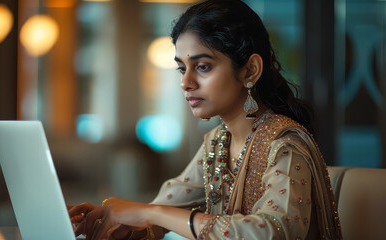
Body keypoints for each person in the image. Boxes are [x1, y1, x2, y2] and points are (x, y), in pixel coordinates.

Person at [68, 0, 342, 239]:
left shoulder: (286, 146)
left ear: (250, 70)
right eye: (181, 69)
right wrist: (116, 220)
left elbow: (270, 232)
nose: (186, 83)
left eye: (202, 67)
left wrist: (148, 212)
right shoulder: (217, 144)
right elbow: (161, 212)